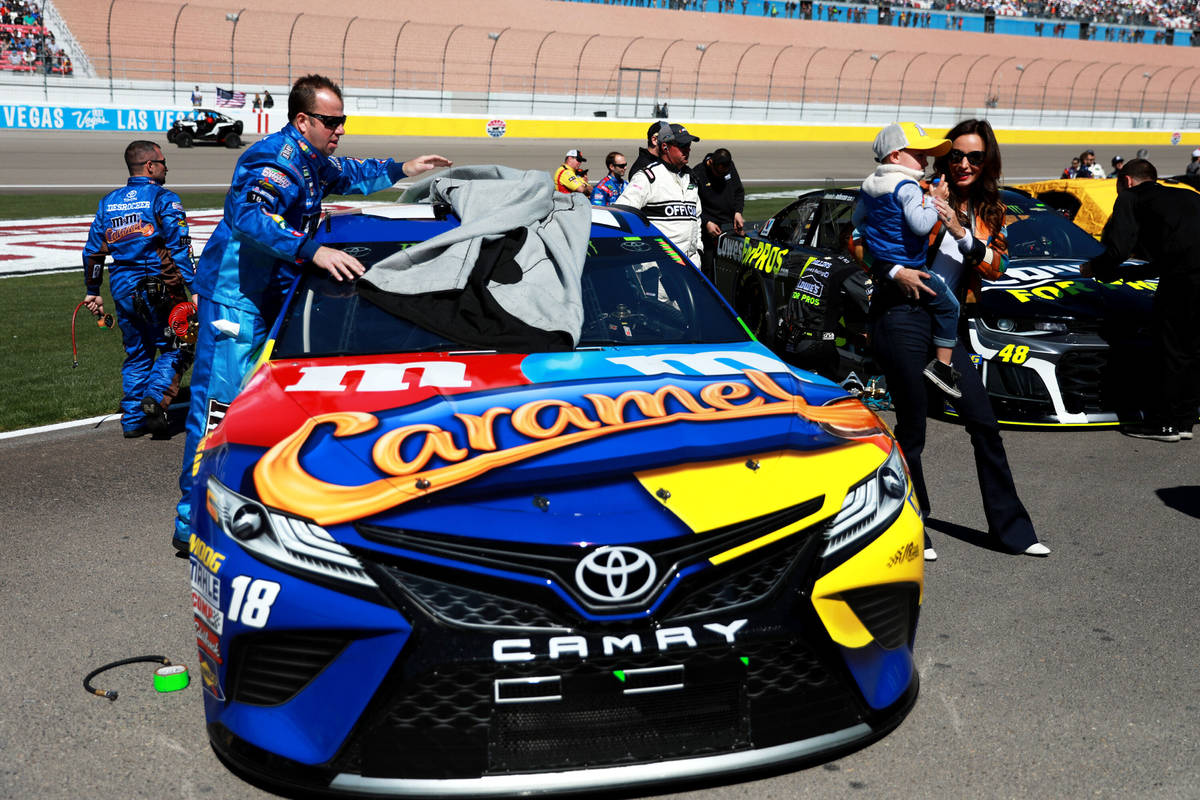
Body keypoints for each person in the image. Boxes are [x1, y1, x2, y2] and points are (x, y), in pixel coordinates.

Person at [172, 73, 451, 555]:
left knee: (265, 406)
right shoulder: (271, 159)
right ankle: (191, 519)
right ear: (302, 120)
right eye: (331, 120)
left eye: (343, 120)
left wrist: (403, 168)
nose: (339, 128)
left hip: (271, 294)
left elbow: (351, 175)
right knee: (218, 411)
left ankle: (254, 499)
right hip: (235, 298)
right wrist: (311, 251)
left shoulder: (312, 160)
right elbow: (250, 218)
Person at [870, 118, 1049, 561]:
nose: (964, 164)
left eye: (975, 157)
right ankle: (913, 526)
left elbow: (997, 265)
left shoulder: (990, 209)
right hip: (903, 315)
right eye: (957, 155)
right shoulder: (916, 189)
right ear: (945, 157)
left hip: (947, 329)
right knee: (913, 428)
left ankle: (1013, 531)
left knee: (983, 423)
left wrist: (962, 233)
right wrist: (895, 270)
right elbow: (861, 239)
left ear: (987, 161)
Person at [1080, 158, 1200, 442]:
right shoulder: (1186, 195)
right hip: (1191, 277)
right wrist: (1129, 274)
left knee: (1168, 351)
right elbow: (1178, 252)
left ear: (1127, 181)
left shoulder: (1131, 198)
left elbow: (1119, 248)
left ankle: (1164, 425)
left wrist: (1095, 269)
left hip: (1182, 282)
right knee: (1193, 352)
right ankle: (1185, 422)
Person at [82, 140, 196, 438]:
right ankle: (156, 400)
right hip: (159, 287)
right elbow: (179, 246)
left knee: (137, 353)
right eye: (162, 161)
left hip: (122, 288)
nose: (166, 166)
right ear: (150, 166)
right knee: (181, 344)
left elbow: (93, 252)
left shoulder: (109, 202)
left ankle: (132, 421)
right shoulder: (164, 198)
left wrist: (92, 290)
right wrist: (195, 285)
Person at [853, 122, 961, 398]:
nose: (926, 160)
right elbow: (922, 225)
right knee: (950, 307)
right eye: (920, 154)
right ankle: (943, 367)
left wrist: (876, 236)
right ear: (895, 156)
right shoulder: (908, 186)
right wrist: (935, 201)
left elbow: (857, 221)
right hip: (913, 267)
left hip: (886, 269)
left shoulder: (869, 184)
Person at [614, 122, 702, 263]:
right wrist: (642, 252)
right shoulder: (647, 177)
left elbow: (697, 218)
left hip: (692, 263)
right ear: (665, 147)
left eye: (689, 145)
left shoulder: (690, 178)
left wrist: (698, 249)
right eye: (682, 146)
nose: (688, 149)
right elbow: (621, 214)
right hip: (660, 263)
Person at [692, 148, 745, 278]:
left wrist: (738, 212)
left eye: (724, 174)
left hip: (729, 226)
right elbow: (692, 204)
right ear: (711, 162)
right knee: (708, 269)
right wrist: (706, 222)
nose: (721, 177)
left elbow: (738, 191)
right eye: (718, 173)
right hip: (708, 230)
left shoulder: (729, 166)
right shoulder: (697, 173)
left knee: (733, 269)